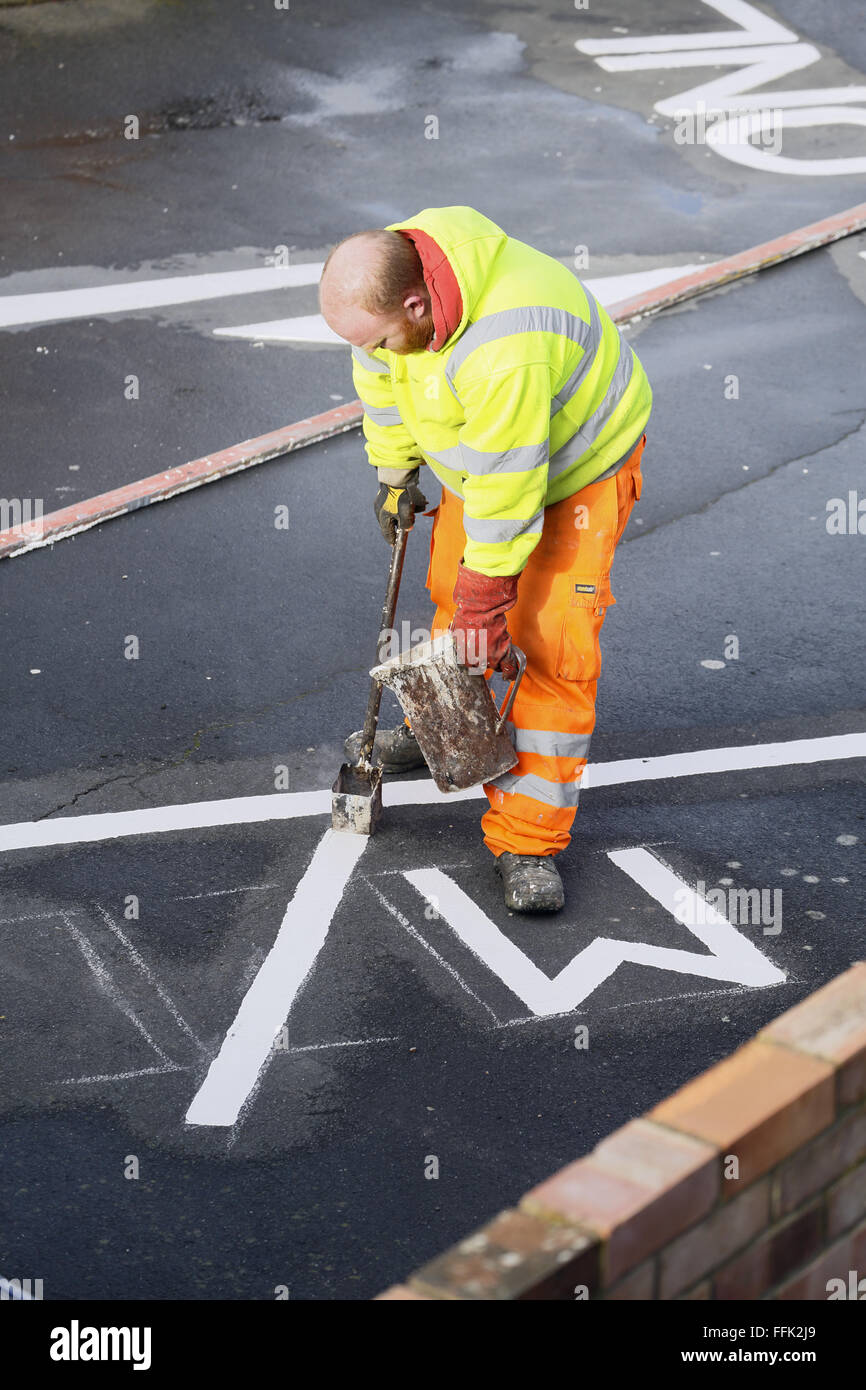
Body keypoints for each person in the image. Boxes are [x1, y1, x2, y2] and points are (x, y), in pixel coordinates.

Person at [319, 206, 651, 913]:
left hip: (573, 471)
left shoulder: (508, 339)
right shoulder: (385, 300)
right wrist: (394, 473)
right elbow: (383, 390)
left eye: (380, 341)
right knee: (456, 594)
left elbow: (510, 495)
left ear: (415, 303)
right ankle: (446, 722)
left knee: (549, 641)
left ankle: (526, 837)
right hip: (488, 459)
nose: (373, 353)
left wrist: (486, 609)